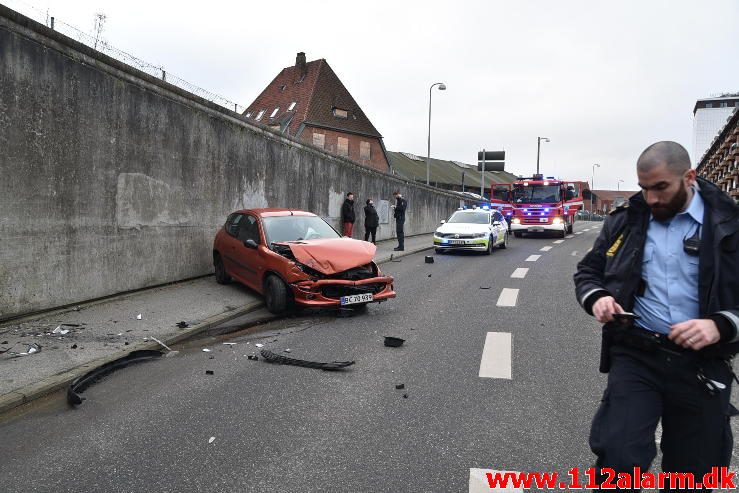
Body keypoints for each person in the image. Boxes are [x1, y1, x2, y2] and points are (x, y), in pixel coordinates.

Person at [574, 141, 739, 490]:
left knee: (692, 475)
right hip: (637, 353)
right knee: (618, 459)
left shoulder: (729, 226)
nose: (651, 199)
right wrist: (599, 297)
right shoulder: (626, 221)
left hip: (702, 367)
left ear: (689, 177)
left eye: (660, 187)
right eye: (644, 188)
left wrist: (720, 324)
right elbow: (588, 272)